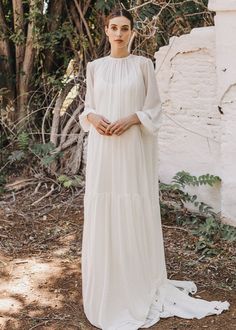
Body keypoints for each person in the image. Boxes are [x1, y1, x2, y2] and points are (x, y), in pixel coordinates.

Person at [79, 7, 230, 330]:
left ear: (133, 32)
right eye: (114, 28)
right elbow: (88, 106)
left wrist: (130, 118)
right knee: (106, 204)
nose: (119, 33)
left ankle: (136, 280)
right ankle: (109, 276)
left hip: (132, 145)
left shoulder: (143, 65)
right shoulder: (95, 67)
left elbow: (154, 109)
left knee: (131, 203)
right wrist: (94, 118)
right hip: (104, 150)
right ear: (106, 31)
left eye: (125, 28)